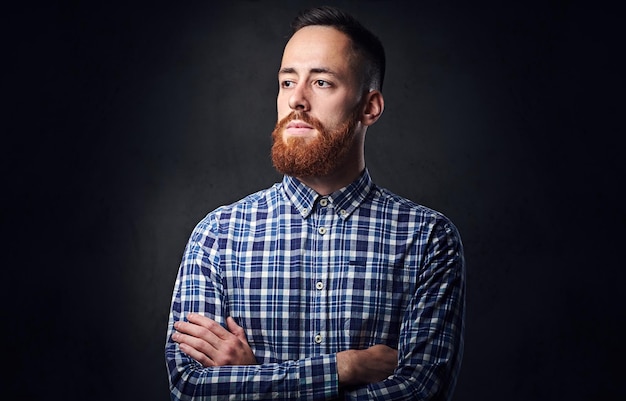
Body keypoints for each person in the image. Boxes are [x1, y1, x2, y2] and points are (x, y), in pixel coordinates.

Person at [165, 6, 465, 400]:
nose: (297, 101)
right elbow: (189, 388)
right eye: (287, 82)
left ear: (369, 107)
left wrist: (254, 379)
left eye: (322, 83)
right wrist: (344, 368)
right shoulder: (218, 236)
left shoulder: (427, 240)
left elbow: (419, 392)